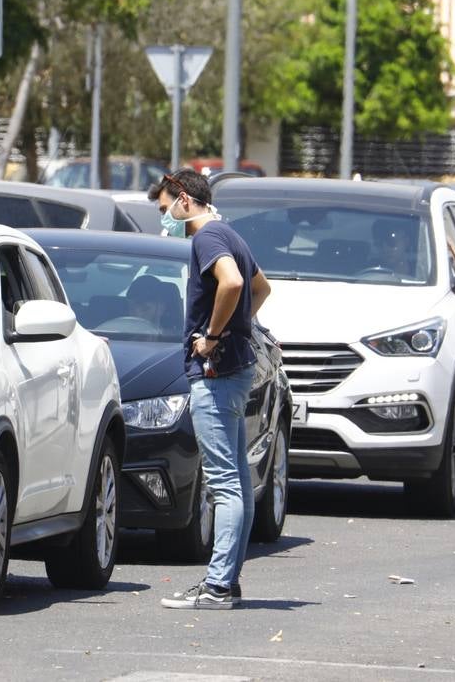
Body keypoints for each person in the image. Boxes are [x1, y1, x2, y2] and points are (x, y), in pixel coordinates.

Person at [149, 169, 271, 609]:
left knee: (224, 483)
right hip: (235, 369)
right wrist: (238, 327)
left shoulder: (206, 238)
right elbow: (261, 288)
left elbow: (236, 283)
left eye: (165, 209)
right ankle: (227, 582)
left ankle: (218, 585)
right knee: (236, 478)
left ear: (184, 199)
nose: (164, 219)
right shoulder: (230, 234)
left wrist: (214, 336)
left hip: (216, 374)